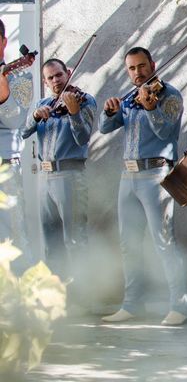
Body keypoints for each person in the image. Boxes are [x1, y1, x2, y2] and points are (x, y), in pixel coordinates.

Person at [100, 47, 187, 326]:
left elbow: (165, 131)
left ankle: (179, 305)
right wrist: (108, 111)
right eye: (132, 68)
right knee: (129, 244)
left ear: (153, 64)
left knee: (163, 241)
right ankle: (132, 304)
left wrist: (151, 107)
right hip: (128, 177)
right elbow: (104, 128)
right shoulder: (129, 98)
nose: (137, 73)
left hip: (156, 174)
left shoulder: (169, 95)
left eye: (141, 66)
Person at [21, 58, 96, 304]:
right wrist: (34, 115)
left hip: (70, 174)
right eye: (50, 78)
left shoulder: (84, 100)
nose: (56, 81)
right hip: (45, 176)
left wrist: (73, 113)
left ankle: (83, 297)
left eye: (59, 75)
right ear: (45, 81)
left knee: (74, 239)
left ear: (68, 73)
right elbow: (24, 131)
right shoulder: (44, 104)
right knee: (51, 240)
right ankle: (56, 298)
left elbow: (83, 137)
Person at [0, 18, 34, 272]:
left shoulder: (19, 75)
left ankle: (22, 299)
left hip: (5, 168)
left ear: (3, 42)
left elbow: (17, 122)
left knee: (12, 234)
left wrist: (4, 96)